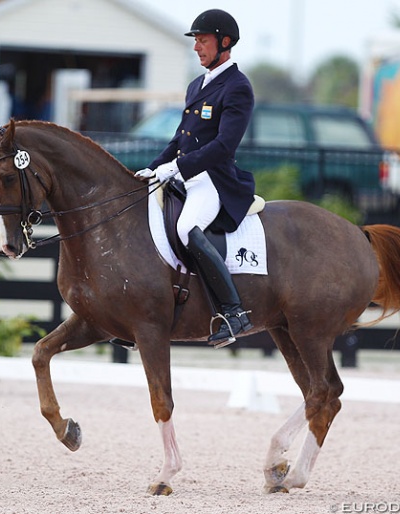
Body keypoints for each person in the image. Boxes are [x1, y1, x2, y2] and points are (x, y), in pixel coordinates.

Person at [135, 9, 256, 348]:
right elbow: (180, 139)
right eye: (196, 41)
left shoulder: (237, 87)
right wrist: (155, 166)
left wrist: (179, 167)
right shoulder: (196, 84)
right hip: (185, 176)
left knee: (187, 228)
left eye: (203, 41)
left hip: (213, 180)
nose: (197, 47)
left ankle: (234, 313)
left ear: (225, 42)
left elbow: (223, 146)